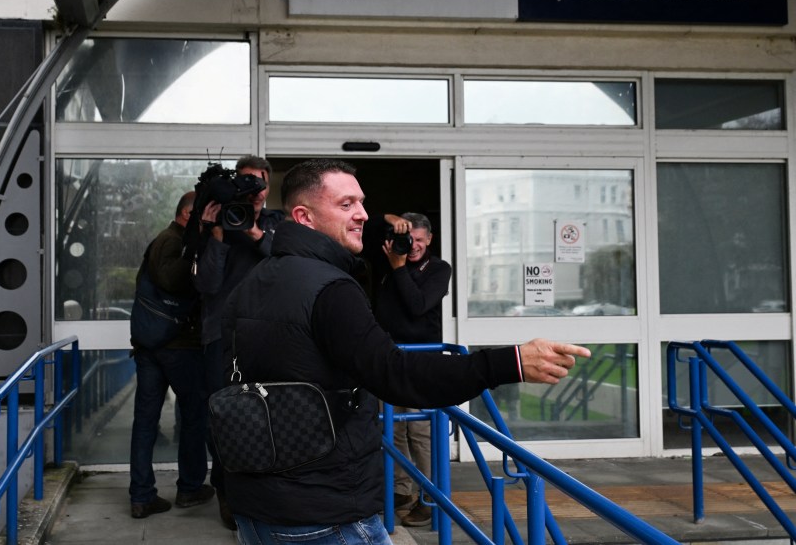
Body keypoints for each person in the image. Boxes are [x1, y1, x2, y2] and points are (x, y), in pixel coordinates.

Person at [220, 159, 591, 544]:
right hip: (325, 511)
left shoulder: (253, 281)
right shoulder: (329, 288)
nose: (363, 214)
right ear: (304, 216)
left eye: (361, 203)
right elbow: (396, 375)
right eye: (346, 204)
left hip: (256, 507)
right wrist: (507, 362)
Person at [192, 155, 285, 530]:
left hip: (269, 335)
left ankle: (265, 493)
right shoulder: (217, 226)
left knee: (270, 417)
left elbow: (284, 264)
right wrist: (215, 235)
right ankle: (227, 491)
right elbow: (206, 285)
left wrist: (253, 230)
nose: (254, 190)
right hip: (222, 336)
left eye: (260, 183)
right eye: (245, 182)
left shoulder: (278, 224)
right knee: (223, 418)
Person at [128, 191, 214, 518]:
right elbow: (170, 279)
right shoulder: (170, 240)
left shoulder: (172, 238)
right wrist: (196, 248)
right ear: (186, 215)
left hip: (152, 347)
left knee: (147, 421)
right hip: (177, 347)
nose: (208, 223)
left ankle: (142, 495)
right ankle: (189, 489)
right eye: (203, 217)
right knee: (194, 416)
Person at [371, 211, 452, 527]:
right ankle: (401, 491)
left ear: (430, 239)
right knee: (393, 430)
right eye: (408, 238)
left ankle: (431, 497)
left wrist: (399, 268)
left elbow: (418, 306)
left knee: (420, 431)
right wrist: (390, 219)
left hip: (422, 359)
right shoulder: (388, 258)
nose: (413, 245)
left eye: (419, 239)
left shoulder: (439, 268)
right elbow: (371, 225)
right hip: (390, 358)